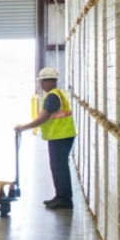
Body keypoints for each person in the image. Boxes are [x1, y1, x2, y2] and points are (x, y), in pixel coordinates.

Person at [15, 67, 75, 209]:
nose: (41, 84)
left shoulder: (52, 96)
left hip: (60, 136)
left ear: (49, 81)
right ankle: (60, 196)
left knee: (59, 168)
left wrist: (25, 126)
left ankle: (65, 199)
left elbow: (45, 116)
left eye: (42, 81)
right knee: (57, 167)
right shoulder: (56, 94)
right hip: (61, 136)